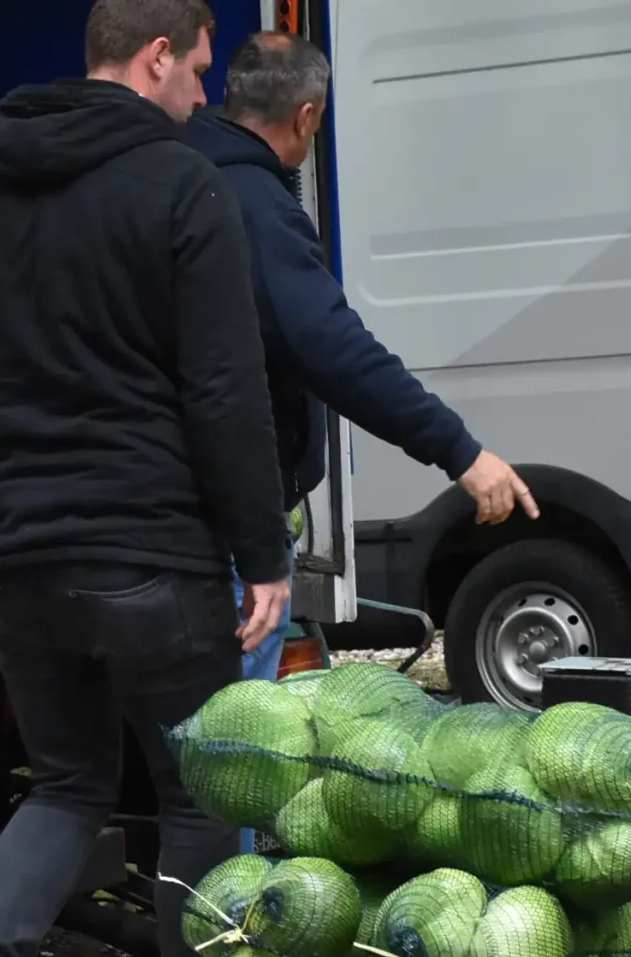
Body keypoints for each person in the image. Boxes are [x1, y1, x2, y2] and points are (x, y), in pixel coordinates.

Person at [0, 0, 288, 957]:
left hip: (24, 548)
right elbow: (223, 387)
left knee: (70, 780)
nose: (203, 98)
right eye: (197, 72)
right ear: (156, 54)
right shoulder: (183, 189)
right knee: (192, 791)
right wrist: (260, 548)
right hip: (151, 546)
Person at [187, 32, 538, 685]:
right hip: (226, 516)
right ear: (307, 117)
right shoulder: (255, 207)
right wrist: (460, 451)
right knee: (231, 748)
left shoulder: (182, 178)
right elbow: (334, 349)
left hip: (157, 511)